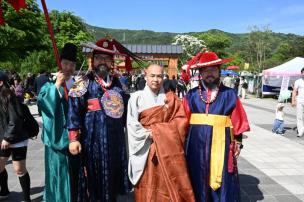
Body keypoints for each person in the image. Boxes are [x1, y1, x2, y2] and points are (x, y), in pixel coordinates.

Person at [67, 38, 131, 201]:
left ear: (112, 62)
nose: (102, 62)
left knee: (112, 177)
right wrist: (73, 138)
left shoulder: (119, 84)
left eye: (106, 58)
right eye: (99, 58)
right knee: (93, 180)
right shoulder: (83, 83)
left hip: (116, 141)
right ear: (92, 60)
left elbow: (128, 112)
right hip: (92, 140)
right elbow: (73, 110)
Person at [183, 52, 250, 201]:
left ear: (219, 71)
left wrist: (238, 141)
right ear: (200, 73)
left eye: (213, 70)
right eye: (206, 71)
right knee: (195, 174)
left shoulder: (230, 94)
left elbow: (238, 119)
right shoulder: (191, 95)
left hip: (223, 144)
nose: (210, 74)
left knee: (222, 176)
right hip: (195, 145)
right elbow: (182, 120)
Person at [127, 64, 195, 201]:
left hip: (168, 150)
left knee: (167, 186)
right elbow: (132, 125)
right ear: (145, 76)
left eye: (159, 76)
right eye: (152, 76)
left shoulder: (171, 99)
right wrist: (149, 134)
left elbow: (181, 121)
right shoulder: (136, 98)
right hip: (146, 148)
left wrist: (159, 133)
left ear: (163, 77)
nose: (156, 79)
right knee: (147, 185)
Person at [37, 43, 78, 202]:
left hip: (75, 139)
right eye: (65, 63)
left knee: (76, 176)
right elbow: (44, 106)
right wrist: (57, 86)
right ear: (60, 63)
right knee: (58, 176)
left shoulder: (78, 85)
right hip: (57, 140)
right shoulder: (49, 85)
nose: (68, 67)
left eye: (72, 64)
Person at [0, 71, 31, 202]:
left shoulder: (9, 96)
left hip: (17, 137)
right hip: (3, 138)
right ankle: (5, 191)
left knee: (19, 169)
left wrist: (7, 137)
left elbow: (16, 119)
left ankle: (26, 198)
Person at [292, 67, 304, 137]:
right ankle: (300, 131)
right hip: (300, 100)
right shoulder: (298, 81)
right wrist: (293, 101)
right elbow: (294, 91)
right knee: (299, 116)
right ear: (302, 73)